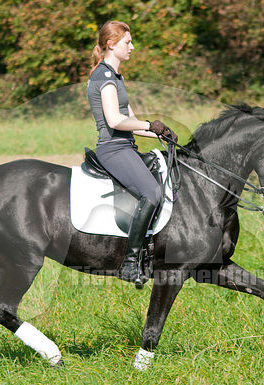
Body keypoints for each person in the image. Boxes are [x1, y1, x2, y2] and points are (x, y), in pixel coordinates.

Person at [87, 20, 178, 285]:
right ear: (111, 44)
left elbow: (132, 120)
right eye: (128, 42)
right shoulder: (102, 77)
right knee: (152, 193)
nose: (132, 47)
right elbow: (115, 121)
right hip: (113, 150)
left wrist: (160, 133)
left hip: (126, 146)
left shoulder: (116, 77)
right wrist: (151, 124)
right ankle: (129, 263)